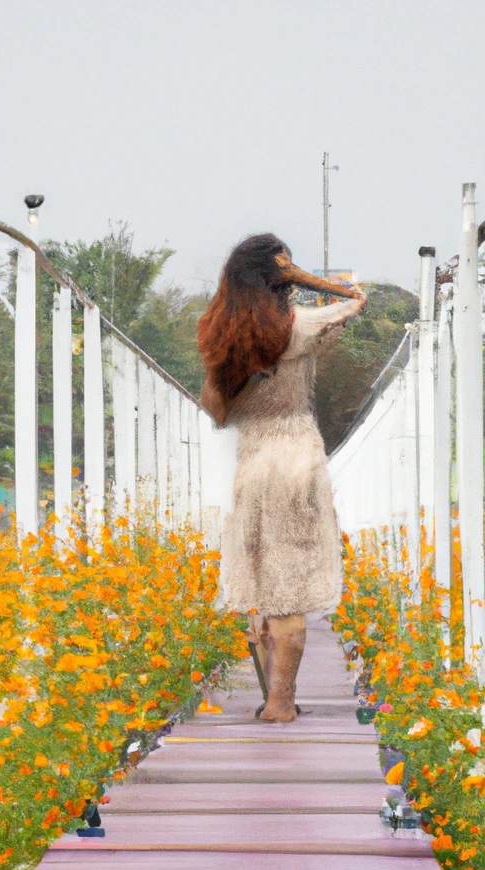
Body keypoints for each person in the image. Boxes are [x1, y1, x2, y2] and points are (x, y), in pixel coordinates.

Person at [197, 233, 365, 722]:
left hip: (253, 465)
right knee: (288, 587)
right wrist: (326, 284)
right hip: (297, 460)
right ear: (278, 280)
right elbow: (353, 304)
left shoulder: (219, 339)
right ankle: (281, 702)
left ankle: (272, 699)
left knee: (265, 582)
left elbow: (216, 413)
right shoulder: (302, 327)